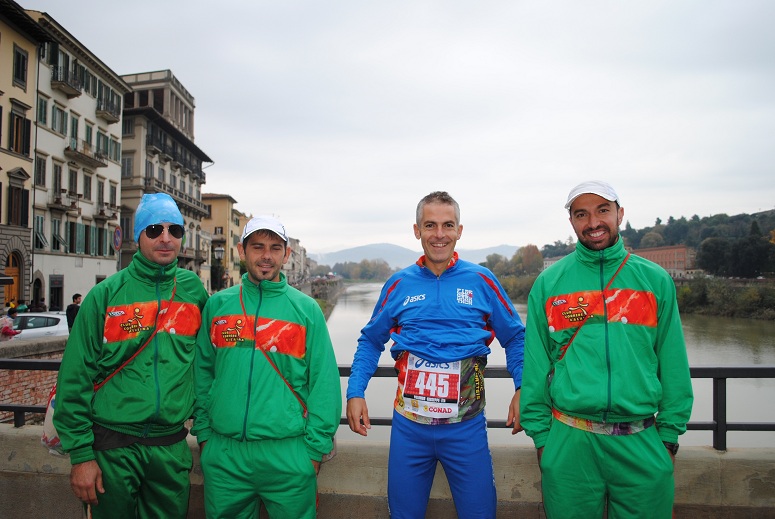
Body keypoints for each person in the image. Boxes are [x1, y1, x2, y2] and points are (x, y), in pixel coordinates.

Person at [520, 180, 694, 519]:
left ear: (620, 214)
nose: (593, 222)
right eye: (581, 214)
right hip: (570, 441)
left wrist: (669, 437)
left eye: (603, 210)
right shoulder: (550, 284)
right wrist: (543, 438)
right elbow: (536, 367)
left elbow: (673, 364)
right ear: (571, 221)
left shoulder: (655, 281)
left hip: (641, 440)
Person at [346, 191, 525, 519]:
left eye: (447, 225)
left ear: (459, 230)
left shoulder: (482, 280)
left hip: (466, 428)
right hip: (409, 429)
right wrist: (355, 391)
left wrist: (521, 386)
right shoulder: (399, 284)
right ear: (417, 230)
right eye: (430, 225)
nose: (439, 234)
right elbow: (371, 341)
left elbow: (515, 337)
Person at [53, 193, 209, 519]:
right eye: (154, 229)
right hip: (112, 446)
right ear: (138, 236)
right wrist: (81, 456)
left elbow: (208, 364)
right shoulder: (105, 295)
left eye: (175, 230)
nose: (166, 238)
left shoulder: (194, 291)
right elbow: (75, 376)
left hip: (169, 447)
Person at [192, 215, 341, 519]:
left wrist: (313, 451)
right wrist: (206, 436)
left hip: (288, 454)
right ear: (241, 250)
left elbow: (324, 383)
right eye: (257, 247)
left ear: (286, 255)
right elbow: (202, 373)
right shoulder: (218, 305)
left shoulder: (307, 310)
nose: (266, 256)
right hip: (225, 454)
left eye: (275, 248)